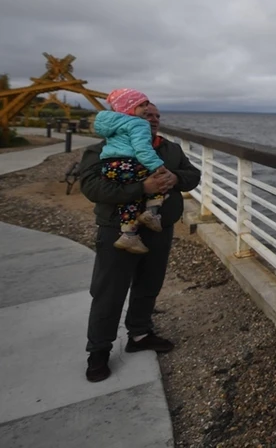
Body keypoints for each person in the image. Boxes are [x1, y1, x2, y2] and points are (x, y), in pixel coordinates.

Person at [80, 102, 201, 382]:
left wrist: (176, 177)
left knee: (149, 283)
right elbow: (91, 187)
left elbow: (192, 175)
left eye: (158, 116)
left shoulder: (168, 149)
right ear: (129, 117)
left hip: (159, 227)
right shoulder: (103, 149)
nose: (155, 120)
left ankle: (140, 333)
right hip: (116, 229)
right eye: (148, 115)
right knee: (109, 290)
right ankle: (98, 350)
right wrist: (141, 188)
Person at [94, 88, 169, 254]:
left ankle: (128, 235)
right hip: (128, 164)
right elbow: (142, 149)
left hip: (110, 166)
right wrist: (157, 165)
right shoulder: (139, 123)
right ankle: (151, 212)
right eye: (141, 105)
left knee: (129, 200)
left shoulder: (113, 124)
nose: (146, 109)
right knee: (159, 180)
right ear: (128, 107)